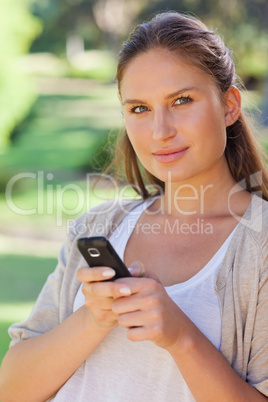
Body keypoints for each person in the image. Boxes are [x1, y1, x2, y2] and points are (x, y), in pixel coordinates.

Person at [0, 11, 268, 402]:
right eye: (139, 108)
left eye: (181, 100)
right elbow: (11, 390)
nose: (160, 131)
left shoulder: (259, 246)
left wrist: (181, 337)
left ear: (229, 105)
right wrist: (93, 317)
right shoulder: (99, 226)